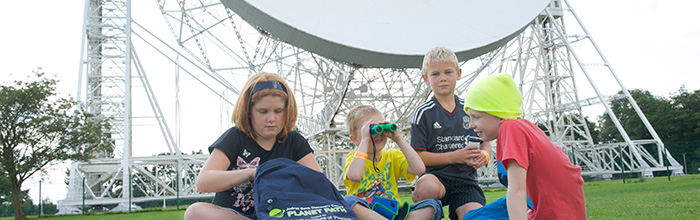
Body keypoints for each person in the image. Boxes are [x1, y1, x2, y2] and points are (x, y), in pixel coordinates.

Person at [184, 72, 322, 220]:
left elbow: (319, 185)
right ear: (248, 112)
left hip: (280, 215)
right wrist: (251, 173)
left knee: (346, 203)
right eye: (263, 111)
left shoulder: (294, 140)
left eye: (278, 111)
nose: (271, 118)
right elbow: (204, 183)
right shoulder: (234, 137)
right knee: (195, 212)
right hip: (235, 215)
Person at [463, 73, 586, 219]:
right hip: (554, 208)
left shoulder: (511, 128)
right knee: (473, 217)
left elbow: (517, 191)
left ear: (499, 114)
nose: (471, 125)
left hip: (552, 213)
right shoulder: (524, 127)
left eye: (476, 117)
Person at [410, 46, 492, 220]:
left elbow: (485, 141)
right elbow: (418, 156)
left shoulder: (469, 108)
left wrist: (485, 155)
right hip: (435, 178)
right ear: (426, 78)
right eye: (435, 74)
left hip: (465, 180)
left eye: (448, 72)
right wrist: (454, 157)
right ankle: (429, 212)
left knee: (474, 217)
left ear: (458, 73)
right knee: (426, 188)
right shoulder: (423, 113)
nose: (443, 79)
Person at [343, 105, 443, 220]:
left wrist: (398, 138)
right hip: (368, 213)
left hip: (393, 212)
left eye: (382, 127)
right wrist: (365, 139)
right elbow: (355, 175)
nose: (378, 133)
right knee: (348, 202)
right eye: (371, 129)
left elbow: (419, 169)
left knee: (432, 206)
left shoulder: (392, 156)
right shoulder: (354, 158)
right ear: (355, 139)